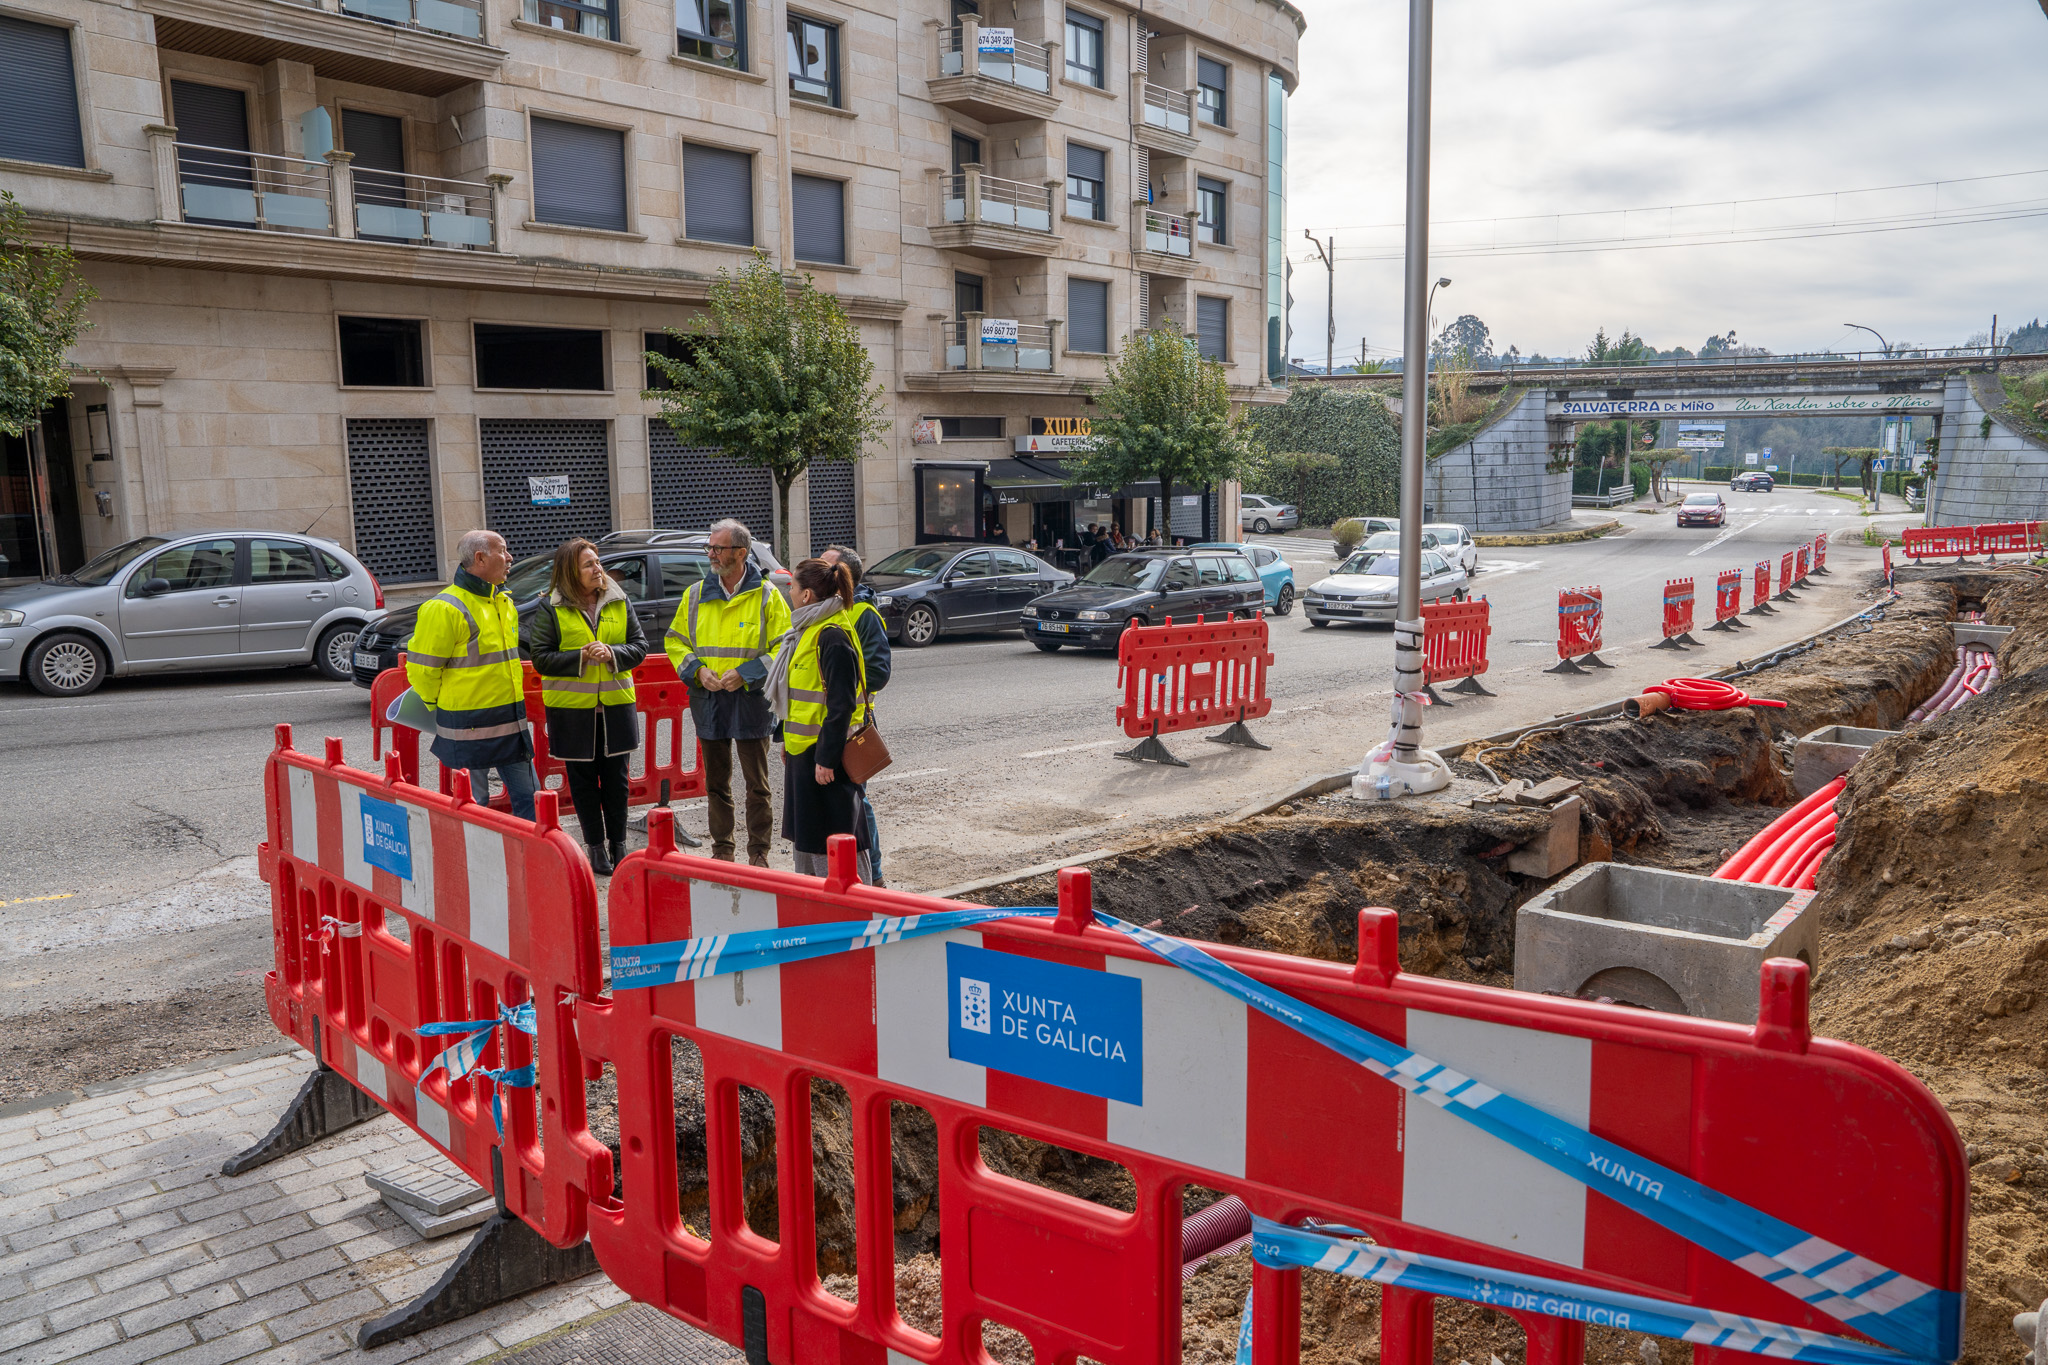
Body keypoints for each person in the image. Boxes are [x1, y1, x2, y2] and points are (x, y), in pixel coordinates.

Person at [664, 518, 790, 866]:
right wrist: (698, 670)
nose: (711, 554)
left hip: (751, 702)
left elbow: (785, 647)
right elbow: (675, 642)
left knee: (757, 785)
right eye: (710, 547)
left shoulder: (767, 596)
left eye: (718, 548)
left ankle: (758, 852)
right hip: (710, 700)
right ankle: (723, 850)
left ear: (741, 553)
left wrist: (747, 673)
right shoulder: (695, 595)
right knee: (716, 783)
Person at [529, 538, 647, 874]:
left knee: (617, 781)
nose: (598, 569)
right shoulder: (551, 607)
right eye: (589, 565)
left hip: (615, 705)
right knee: (582, 783)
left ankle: (619, 845)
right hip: (572, 710)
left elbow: (638, 646)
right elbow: (541, 658)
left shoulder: (618, 600)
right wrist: (580, 656)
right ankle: (595, 848)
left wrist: (613, 653)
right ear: (571, 572)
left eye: (597, 562)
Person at [408, 530, 537, 819]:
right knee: (474, 806)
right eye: (503, 550)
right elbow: (423, 671)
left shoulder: (503, 602)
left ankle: (526, 862)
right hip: (467, 725)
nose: (510, 557)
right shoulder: (444, 607)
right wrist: (439, 706)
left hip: (509, 721)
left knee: (531, 800)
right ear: (480, 558)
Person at [767, 558, 873, 882]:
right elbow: (799, 695)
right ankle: (816, 909)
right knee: (810, 840)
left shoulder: (831, 636)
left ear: (807, 595)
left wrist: (826, 759)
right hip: (806, 754)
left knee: (837, 842)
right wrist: (785, 736)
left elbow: (840, 705)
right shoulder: (807, 629)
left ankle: (855, 910)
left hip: (827, 759)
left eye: (793, 586)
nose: (789, 591)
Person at [822, 544, 891, 885]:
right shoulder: (821, 611)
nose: (819, 568)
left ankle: (873, 876)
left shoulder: (862, 614)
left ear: (843, 576)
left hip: (850, 727)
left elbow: (878, 672)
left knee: (856, 803)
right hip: (824, 725)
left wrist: (838, 687)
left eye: (826, 565)